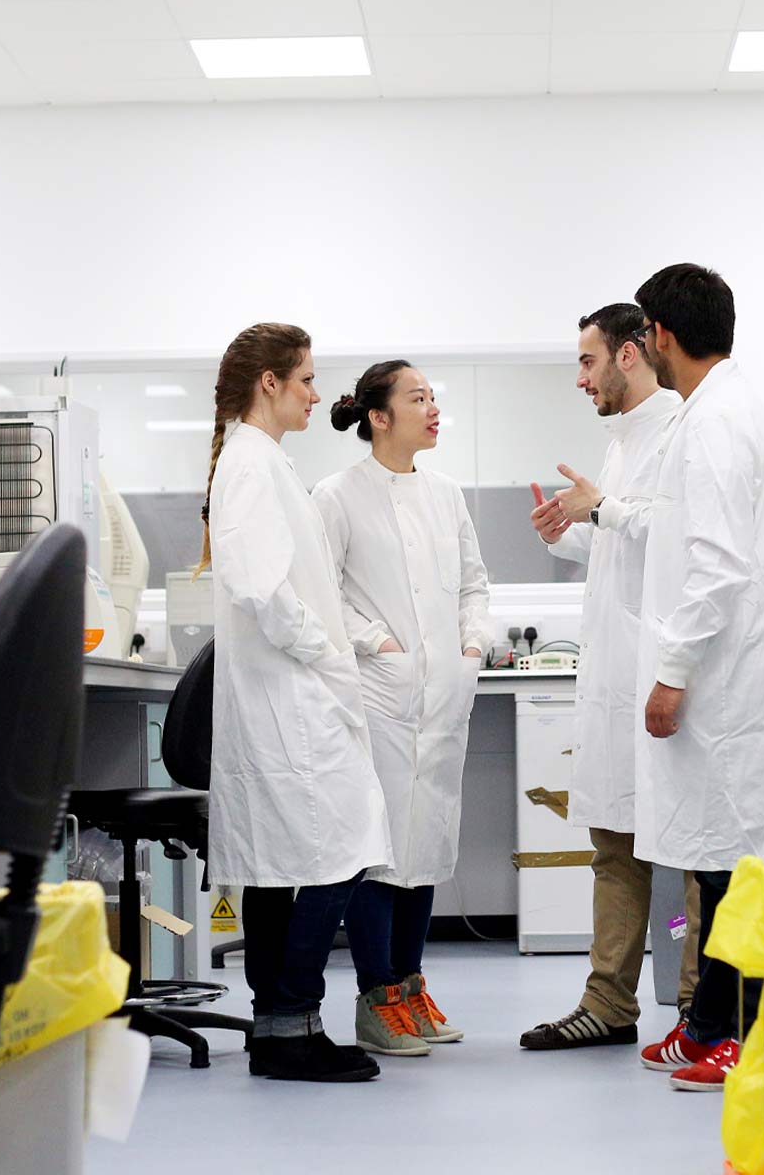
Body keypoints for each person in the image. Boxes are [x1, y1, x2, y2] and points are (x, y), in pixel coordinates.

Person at [628, 264, 764, 1092]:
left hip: (725, 677)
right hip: (733, 673)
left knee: (739, 867)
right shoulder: (718, 411)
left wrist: (672, 673)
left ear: (661, 336)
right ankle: (709, 1022)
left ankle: (740, 1028)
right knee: (721, 864)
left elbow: (714, 568)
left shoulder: (714, 423)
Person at [202, 323, 393, 1085]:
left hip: (294, 692)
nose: (318, 394)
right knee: (331, 853)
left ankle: (282, 1026)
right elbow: (260, 587)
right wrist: (322, 648)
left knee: (292, 863)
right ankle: (289, 1022)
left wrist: (345, 643)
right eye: (307, 379)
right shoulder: (250, 463)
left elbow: (290, 579)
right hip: (291, 693)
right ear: (270, 383)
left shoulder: (261, 460)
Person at [518, 304, 706, 1053]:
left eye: (589, 362)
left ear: (630, 356)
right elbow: (621, 548)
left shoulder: (683, 430)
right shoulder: (624, 441)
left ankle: (700, 1008)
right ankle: (609, 1004)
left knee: (689, 846)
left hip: (662, 670)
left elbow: (684, 539)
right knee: (614, 843)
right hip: (615, 673)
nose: (580, 378)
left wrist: (607, 509)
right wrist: (575, 533)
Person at [312, 361, 492, 1059]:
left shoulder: (446, 494)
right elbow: (323, 591)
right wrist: (376, 643)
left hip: (444, 689)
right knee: (382, 848)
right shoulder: (337, 495)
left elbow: (473, 584)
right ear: (378, 417)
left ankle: (411, 986)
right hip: (379, 692)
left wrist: (473, 644)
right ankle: (374, 998)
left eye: (434, 398)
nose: (433, 409)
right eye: (418, 398)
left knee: (428, 843)